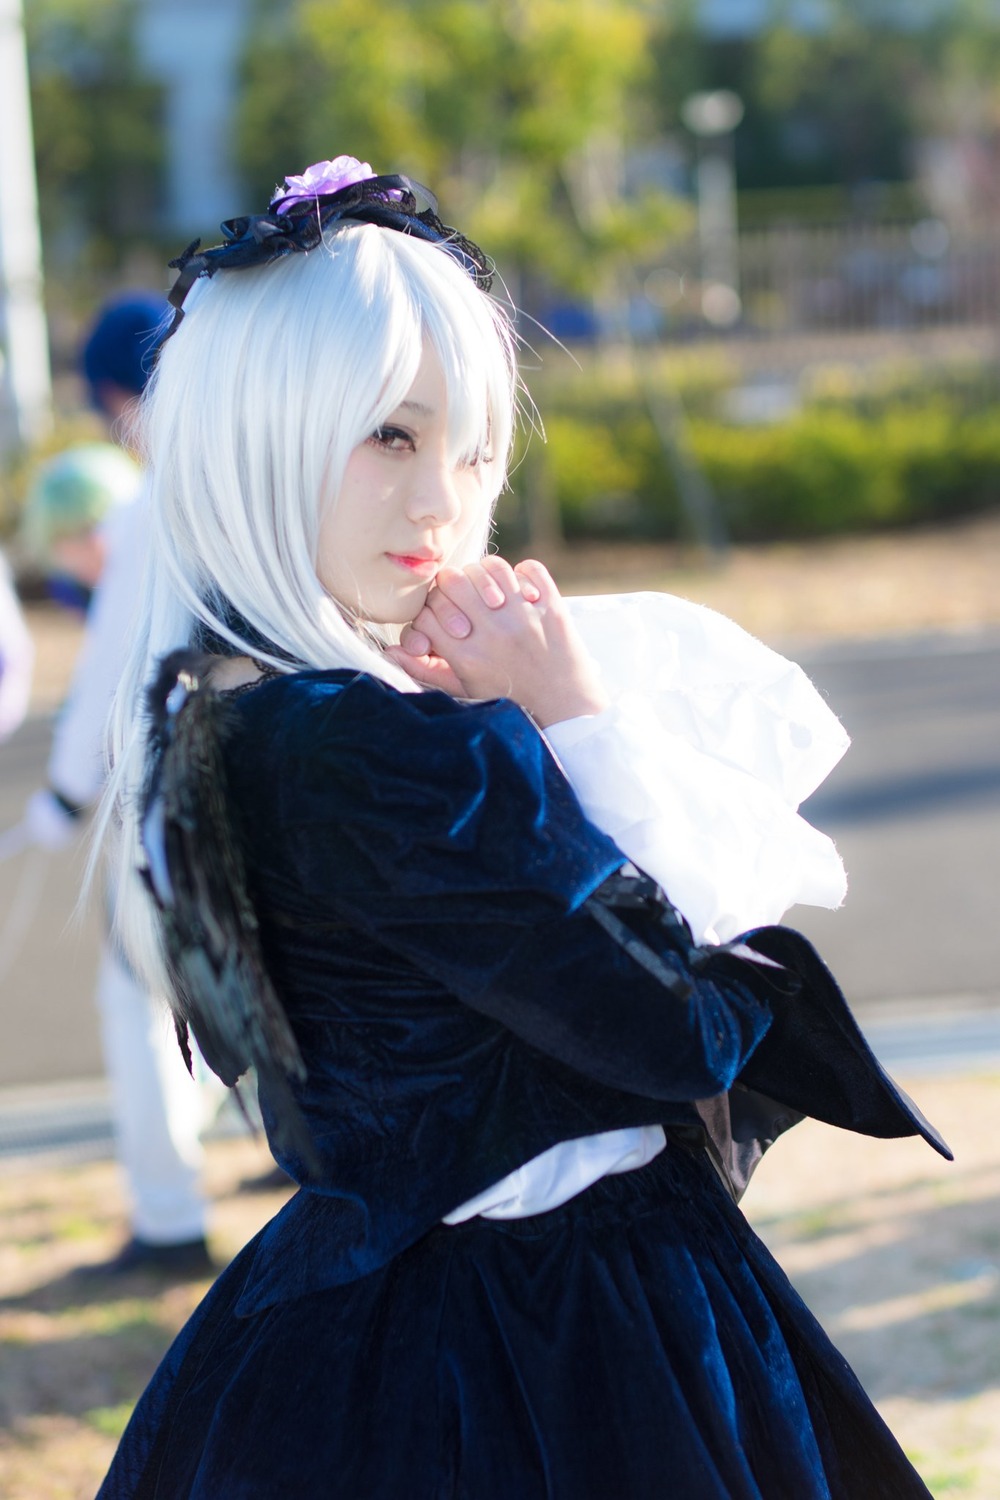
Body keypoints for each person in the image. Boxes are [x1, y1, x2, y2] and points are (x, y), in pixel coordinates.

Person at [96, 157, 946, 1498]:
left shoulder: (215, 718)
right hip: (543, 1337)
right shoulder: (377, 748)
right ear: (260, 430)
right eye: (390, 434)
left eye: (474, 445)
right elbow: (680, 1028)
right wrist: (570, 719)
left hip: (351, 1323)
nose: (443, 497)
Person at [19, 297, 216, 1277]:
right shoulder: (248, 462)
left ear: (110, 394)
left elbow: (109, 672)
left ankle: (169, 1220)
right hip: (294, 762)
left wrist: (61, 798)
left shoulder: (151, 504)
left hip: (186, 787)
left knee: (136, 997)